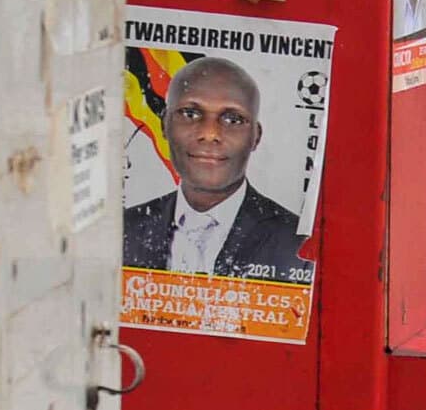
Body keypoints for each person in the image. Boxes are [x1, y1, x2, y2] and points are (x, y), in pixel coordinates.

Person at [122, 56, 308, 280]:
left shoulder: (298, 243)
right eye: (190, 114)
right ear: (165, 125)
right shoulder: (122, 230)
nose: (210, 134)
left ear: (255, 137)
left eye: (233, 119)